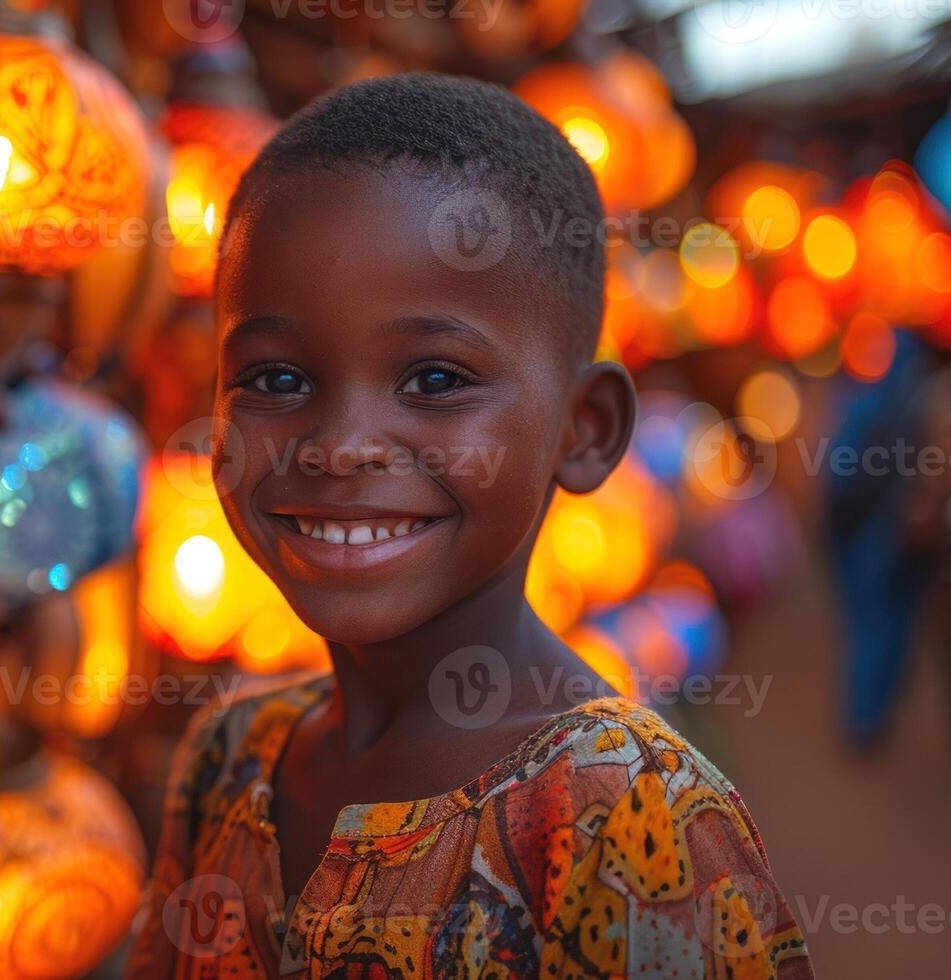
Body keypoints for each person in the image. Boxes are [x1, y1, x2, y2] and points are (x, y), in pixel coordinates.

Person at [125, 74, 812, 978]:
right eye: (277, 380)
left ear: (585, 429)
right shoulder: (225, 759)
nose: (341, 447)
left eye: (435, 380)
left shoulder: (626, 811)